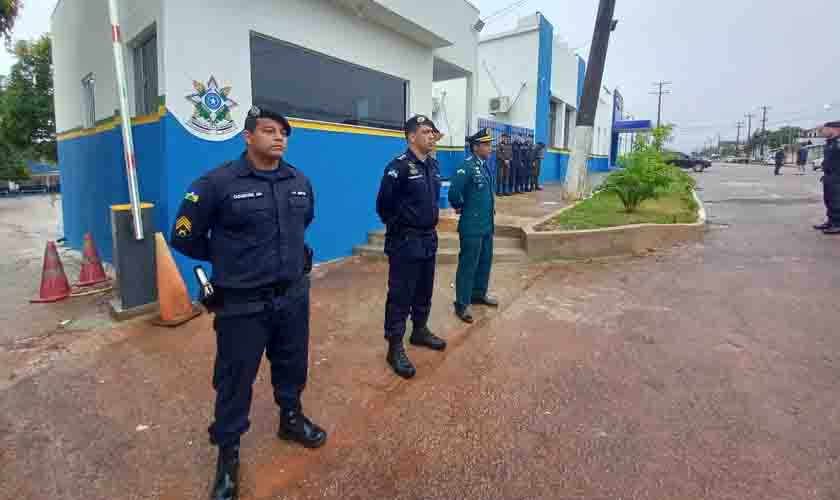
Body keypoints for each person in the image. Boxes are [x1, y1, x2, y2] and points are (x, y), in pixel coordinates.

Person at [170, 105, 327, 500]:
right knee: (234, 378)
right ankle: (228, 455)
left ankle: (290, 418)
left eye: (284, 133)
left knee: (292, 364)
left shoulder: (299, 182)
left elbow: (302, 223)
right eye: (270, 131)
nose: (279, 138)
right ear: (247, 136)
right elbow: (184, 236)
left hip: (292, 297)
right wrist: (229, 260)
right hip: (242, 304)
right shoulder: (216, 184)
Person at [376, 115, 447, 379]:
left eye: (432, 132)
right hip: (406, 241)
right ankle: (395, 346)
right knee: (400, 294)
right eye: (426, 132)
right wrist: (401, 227)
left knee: (424, 290)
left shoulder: (433, 166)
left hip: (429, 238)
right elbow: (384, 205)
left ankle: (419, 330)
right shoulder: (399, 167)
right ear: (411, 136)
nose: (431, 136)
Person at [448, 128, 499, 323]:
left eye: (489, 144)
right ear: (476, 147)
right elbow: (453, 193)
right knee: (468, 265)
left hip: (486, 225)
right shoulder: (466, 166)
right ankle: (462, 303)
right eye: (486, 145)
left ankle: (478, 294)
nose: (490, 148)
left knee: (485, 261)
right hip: (471, 225)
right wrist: (461, 207)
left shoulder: (484, 166)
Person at [815, 121, 840, 234]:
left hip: (837, 176)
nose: (823, 131)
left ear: (834, 129)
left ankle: (837, 224)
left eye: (825, 129)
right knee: (828, 200)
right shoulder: (830, 142)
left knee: (836, 201)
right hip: (829, 176)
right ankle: (831, 221)